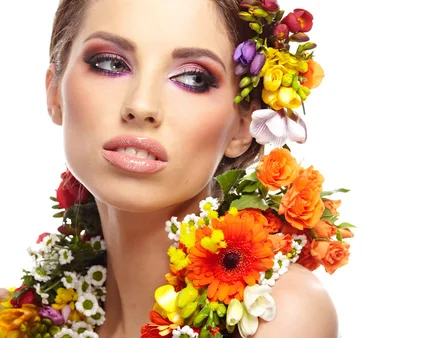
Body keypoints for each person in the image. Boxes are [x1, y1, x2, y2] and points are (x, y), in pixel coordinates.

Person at [0, 0, 354, 338]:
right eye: (110, 63)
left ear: (243, 126)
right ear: (54, 93)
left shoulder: (277, 314)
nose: (141, 105)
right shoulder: (21, 319)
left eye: (194, 78)